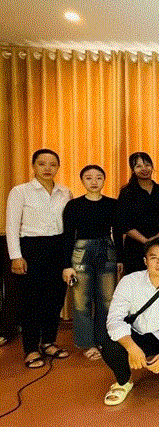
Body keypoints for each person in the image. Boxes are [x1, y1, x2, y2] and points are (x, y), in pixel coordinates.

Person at [100, 237, 159, 405]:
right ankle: (124, 382)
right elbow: (114, 320)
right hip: (137, 334)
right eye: (154, 258)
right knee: (110, 347)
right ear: (145, 261)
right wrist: (131, 347)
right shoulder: (129, 281)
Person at [6, 149, 72, 368]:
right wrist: (16, 256)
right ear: (33, 166)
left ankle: (49, 342)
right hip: (31, 248)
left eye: (52, 164)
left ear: (58, 167)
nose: (47, 168)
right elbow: (12, 226)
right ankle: (31, 348)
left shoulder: (65, 192)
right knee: (31, 301)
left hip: (59, 247)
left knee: (55, 298)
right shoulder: (20, 191)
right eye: (42, 164)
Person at [62, 165, 122, 361]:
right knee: (81, 301)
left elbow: (118, 233)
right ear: (82, 181)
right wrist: (66, 265)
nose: (94, 181)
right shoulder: (73, 205)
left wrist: (120, 258)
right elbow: (68, 236)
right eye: (88, 178)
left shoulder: (113, 204)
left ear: (104, 180)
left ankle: (104, 340)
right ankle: (86, 343)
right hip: (81, 253)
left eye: (98, 177)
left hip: (107, 251)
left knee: (107, 300)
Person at [116, 152, 159, 275]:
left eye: (147, 165)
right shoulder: (127, 192)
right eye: (138, 166)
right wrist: (146, 241)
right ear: (133, 170)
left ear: (152, 166)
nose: (144, 169)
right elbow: (124, 223)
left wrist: (158, 237)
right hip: (135, 248)